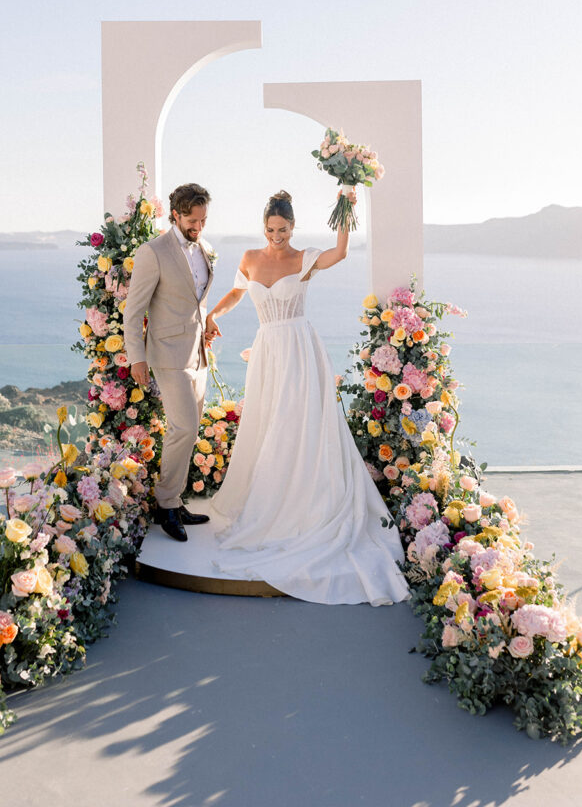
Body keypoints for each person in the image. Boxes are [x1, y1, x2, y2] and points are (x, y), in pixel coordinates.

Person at [204, 190, 409, 606]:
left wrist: (346, 207)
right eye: (270, 229)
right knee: (268, 422)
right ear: (263, 228)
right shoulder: (248, 258)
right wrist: (211, 315)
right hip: (267, 351)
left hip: (298, 348)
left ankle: (306, 502)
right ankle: (270, 497)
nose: (276, 236)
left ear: (293, 228)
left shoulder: (304, 259)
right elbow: (236, 294)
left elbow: (342, 252)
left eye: (282, 230)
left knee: (298, 422)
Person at [124, 183, 221, 542]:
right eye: (193, 220)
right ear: (175, 215)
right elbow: (133, 312)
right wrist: (137, 357)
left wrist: (208, 323)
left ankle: (174, 499)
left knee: (189, 430)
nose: (199, 227)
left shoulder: (205, 249)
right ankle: (165, 505)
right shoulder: (153, 252)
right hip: (165, 353)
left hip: (197, 351)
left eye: (203, 220)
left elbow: (198, 300)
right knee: (184, 427)